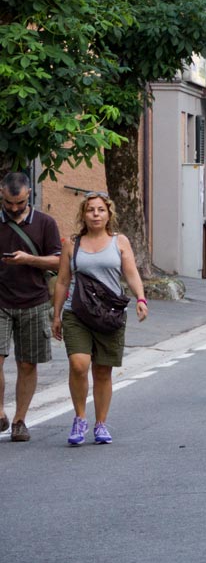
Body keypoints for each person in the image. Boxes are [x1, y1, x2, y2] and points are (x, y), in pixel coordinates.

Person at [51, 192, 148, 445]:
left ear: (109, 214)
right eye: (91, 210)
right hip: (77, 312)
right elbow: (62, 280)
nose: (96, 214)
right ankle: (80, 418)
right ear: (83, 214)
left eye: (100, 210)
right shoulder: (73, 244)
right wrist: (57, 314)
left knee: (103, 371)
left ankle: (101, 423)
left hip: (109, 314)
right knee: (79, 365)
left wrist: (140, 298)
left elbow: (131, 274)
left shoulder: (120, 242)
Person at [0, 172, 62, 442]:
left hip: (34, 302)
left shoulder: (45, 223)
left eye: (20, 204)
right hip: (0, 300)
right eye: (8, 203)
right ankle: (0, 411)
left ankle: (19, 420)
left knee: (27, 364)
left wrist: (29, 260)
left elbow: (59, 262)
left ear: (29, 196)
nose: (14, 209)